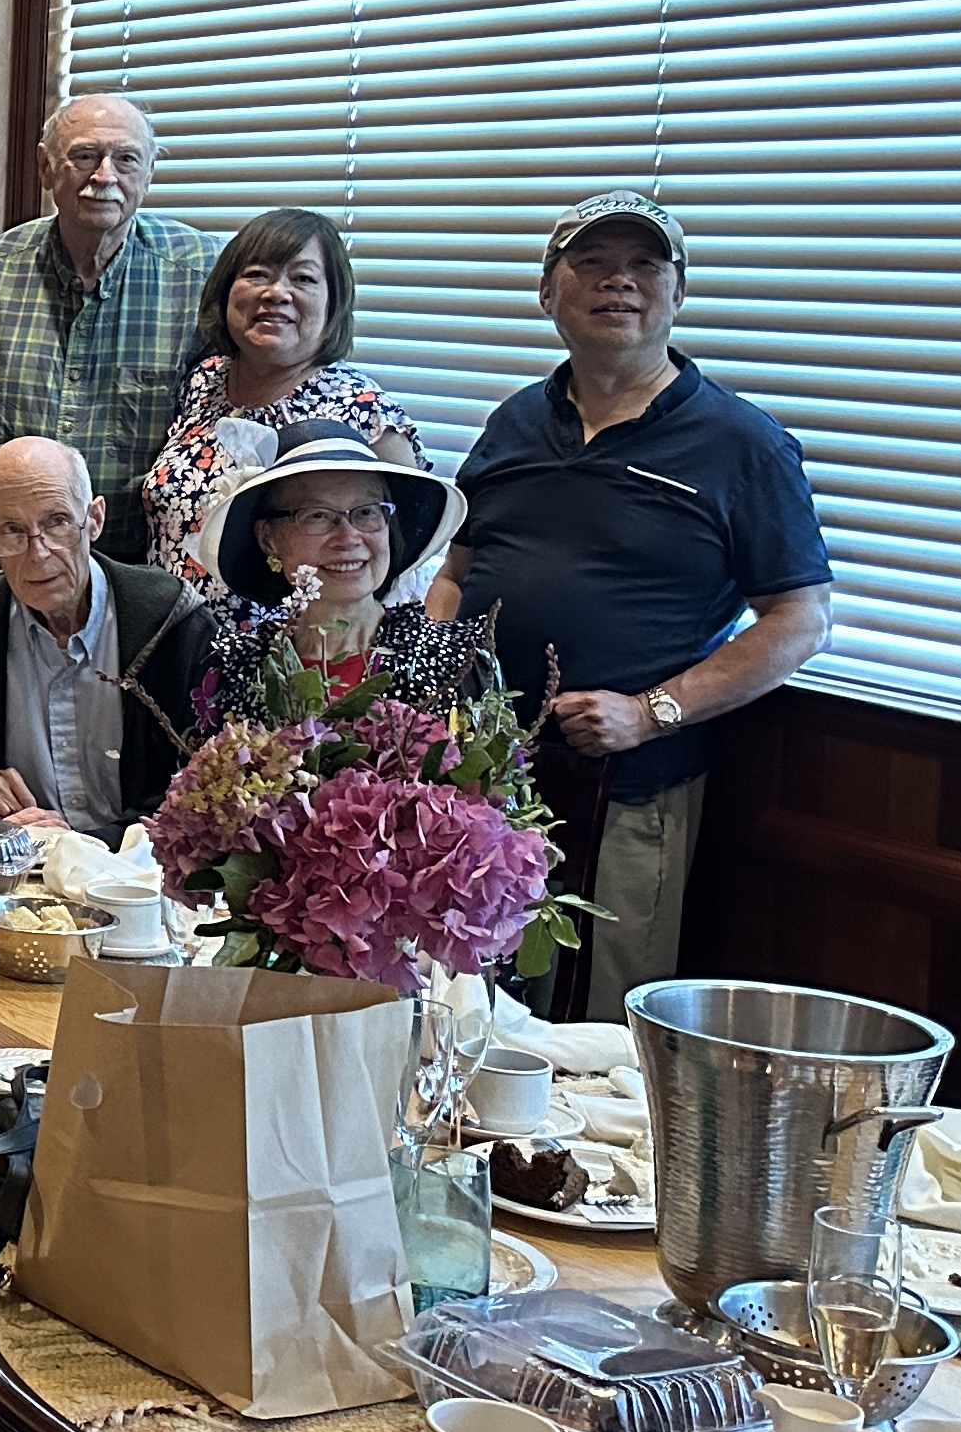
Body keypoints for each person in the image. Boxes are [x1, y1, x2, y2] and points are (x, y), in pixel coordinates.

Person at [430, 193, 832, 1022]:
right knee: (464, 1006)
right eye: (592, 263)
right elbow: (456, 573)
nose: (619, 282)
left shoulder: (742, 445)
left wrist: (652, 712)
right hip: (479, 778)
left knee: (594, 1021)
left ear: (677, 293)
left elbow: (800, 620)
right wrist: (426, 686)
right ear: (548, 292)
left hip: (625, 789)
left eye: (645, 265)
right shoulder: (514, 422)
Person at [0, 94, 211, 545]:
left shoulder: (202, 277)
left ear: (149, 173)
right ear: (45, 166)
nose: (105, 176)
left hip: (142, 563)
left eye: (127, 159)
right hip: (7, 557)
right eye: (85, 156)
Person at [0, 437, 213, 834]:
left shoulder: (176, 626)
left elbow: (207, 788)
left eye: (58, 522)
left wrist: (86, 844)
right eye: (12, 531)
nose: (38, 553)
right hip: (20, 862)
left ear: (95, 519)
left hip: (139, 864)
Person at [139, 208, 431, 598]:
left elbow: (398, 567)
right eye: (257, 274)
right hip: (171, 627)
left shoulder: (364, 412)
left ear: (333, 302)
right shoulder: (203, 381)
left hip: (293, 638)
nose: (276, 293)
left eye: (303, 278)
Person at [192, 432, 489, 716]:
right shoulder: (234, 671)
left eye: (366, 512)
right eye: (317, 515)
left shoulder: (455, 660)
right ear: (268, 538)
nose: (348, 538)